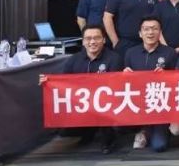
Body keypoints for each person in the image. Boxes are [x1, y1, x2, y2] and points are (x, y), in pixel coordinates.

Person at [39, 25, 121, 154]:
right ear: (83, 41)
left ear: (104, 40)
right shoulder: (74, 59)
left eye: (97, 38)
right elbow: (64, 83)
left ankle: (109, 140)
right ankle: (88, 131)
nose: (92, 42)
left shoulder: (114, 58)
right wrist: (49, 82)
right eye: (88, 38)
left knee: (106, 119)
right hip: (81, 104)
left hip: (105, 103)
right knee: (65, 132)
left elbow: (117, 85)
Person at [123, 16, 177, 152]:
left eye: (154, 29)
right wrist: (124, 75)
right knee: (117, 124)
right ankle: (143, 129)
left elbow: (177, 82)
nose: (150, 32)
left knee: (159, 146)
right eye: (146, 29)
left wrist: (167, 76)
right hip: (137, 103)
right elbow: (123, 84)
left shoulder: (170, 53)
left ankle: (150, 131)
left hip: (160, 105)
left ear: (160, 32)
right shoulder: (130, 53)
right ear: (140, 33)